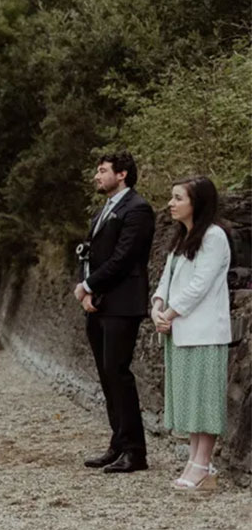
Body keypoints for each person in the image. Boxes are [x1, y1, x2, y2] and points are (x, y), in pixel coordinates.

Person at [73, 152, 156, 473]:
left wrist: (89, 286)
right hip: (100, 301)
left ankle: (136, 451)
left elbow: (124, 259)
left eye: (102, 170)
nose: (97, 176)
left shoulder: (138, 209)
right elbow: (90, 255)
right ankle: (118, 442)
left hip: (123, 302)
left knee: (118, 372)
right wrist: (88, 287)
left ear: (121, 175)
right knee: (107, 374)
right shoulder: (102, 211)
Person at [151, 176, 232, 491]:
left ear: (196, 203)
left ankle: (202, 463)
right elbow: (166, 280)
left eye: (177, 198)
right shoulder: (181, 239)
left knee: (205, 400)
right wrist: (158, 306)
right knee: (192, 401)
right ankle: (196, 461)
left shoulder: (214, 237)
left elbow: (200, 285)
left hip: (205, 331)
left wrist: (170, 313)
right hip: (181, 330)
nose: (171, 204)